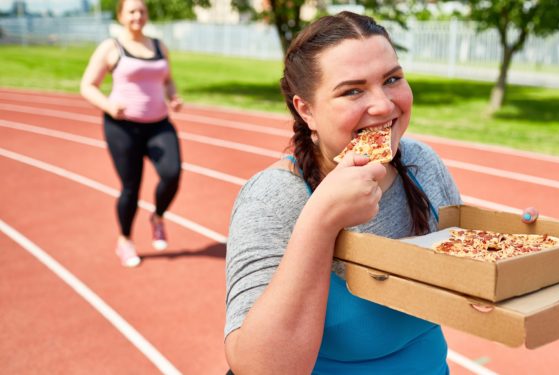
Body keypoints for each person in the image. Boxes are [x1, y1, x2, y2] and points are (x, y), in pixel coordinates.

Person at [224, 12, 461, 374]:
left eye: (392, 79)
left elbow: (464, 284)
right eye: (352, 90)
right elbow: (258, 368)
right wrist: (320, 222)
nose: (383, 105)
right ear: (307, 110)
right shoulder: (274, 196)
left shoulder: (422, 164)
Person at [80, 0, 182, 268]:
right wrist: (108, 106)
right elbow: (88, 86)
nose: (138, 16)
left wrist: (173, 96)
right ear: (121, 16)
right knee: (130, 189)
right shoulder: (111, 48)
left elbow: (168, 79)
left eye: (142, 11)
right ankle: (125, 239)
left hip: (159, 123)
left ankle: (157, 217)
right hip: (123, 126)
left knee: (172, 174)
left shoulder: (159, 46)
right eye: (132, 11)